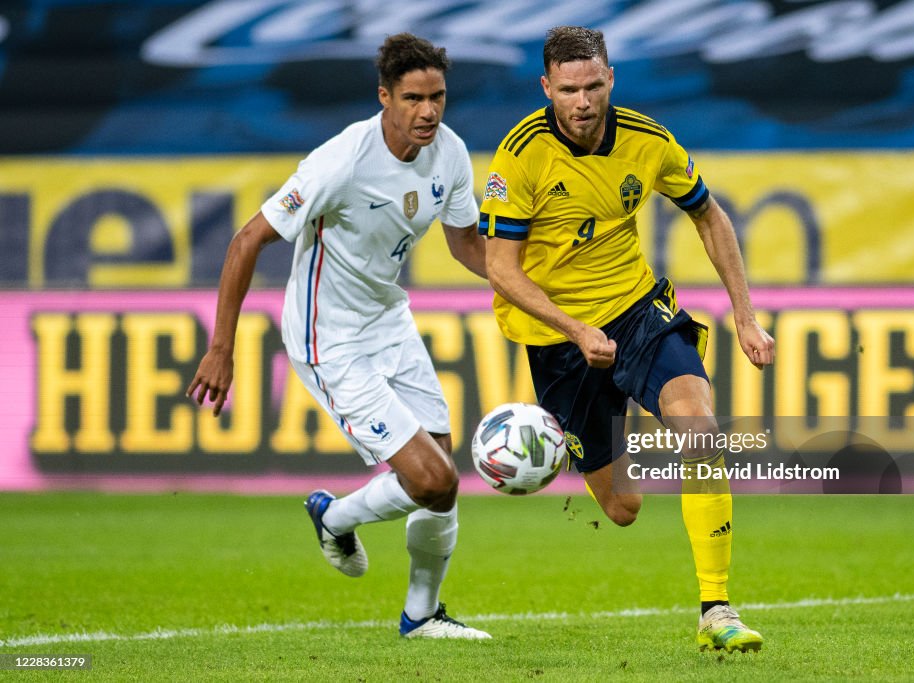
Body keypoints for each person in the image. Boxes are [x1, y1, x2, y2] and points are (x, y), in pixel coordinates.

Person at [479, 26, 775, 653]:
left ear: (611, 78)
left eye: (593, 86)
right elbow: (501, 268)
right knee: (623, 508)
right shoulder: (520, 155)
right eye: (567, 90)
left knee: (697, 425)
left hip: (638, 309)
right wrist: (575, 328)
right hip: (557, 337)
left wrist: (745, 315)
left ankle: (716, 608)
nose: (582, 102)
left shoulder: (649, 139)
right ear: (546, 88)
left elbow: (708, 212)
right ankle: (598, 425)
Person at [187, 33, 490, 640]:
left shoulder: (451, 152)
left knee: (440, 475)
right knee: (433, 481)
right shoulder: (343, 160)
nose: (428, 111)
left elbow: (466, 244)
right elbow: (247, 240)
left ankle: (421, 614)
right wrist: (223, 346)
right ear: (385, 97)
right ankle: (334, 516)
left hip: (388, 319)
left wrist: (531, 288)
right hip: (328, 336)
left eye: (438, 97)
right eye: (413, 98)